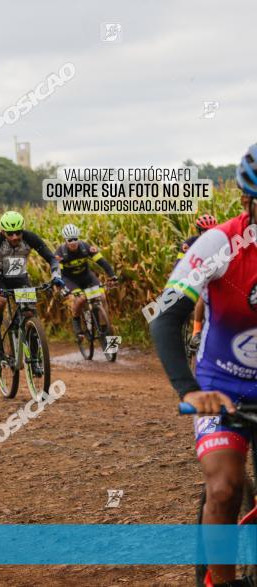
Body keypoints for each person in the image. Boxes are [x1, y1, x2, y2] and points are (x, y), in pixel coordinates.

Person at [151, 143, 257, 587]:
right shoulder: (220, 244)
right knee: (225, 488)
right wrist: (187, 389)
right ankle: (225, 582)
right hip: (222, 392)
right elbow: (166, 316)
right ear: (247, 202)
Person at [0, 211, 63, 362]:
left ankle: (35, 358)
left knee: (29, 312)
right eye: (10, 233)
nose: (15, 237)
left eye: (18, 232)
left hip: (19, 278)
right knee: (0, 301)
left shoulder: (30, 238)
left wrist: (56, 275)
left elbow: (52, 259)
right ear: (3, 232)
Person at [55, 224, 118, 339]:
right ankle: (76, 322)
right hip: (70, 280)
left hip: (87, 276)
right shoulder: (60, 253)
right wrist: (60, 286)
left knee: (102, 297)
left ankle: (104, 328)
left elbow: (102, 262)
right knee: (80, 299)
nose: (73, 242)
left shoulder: (85, 247)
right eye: (70, 240)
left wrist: (112, 275)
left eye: (75, 239)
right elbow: (57, 273)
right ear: (65, 240)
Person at [179, 214, 219, 349]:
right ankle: (196, 331)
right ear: (199, 231)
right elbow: (180, 263)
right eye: (204, 231)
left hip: (213, 275)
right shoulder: (190, 243)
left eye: (211, 231)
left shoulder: (220, 243)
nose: (208, 234)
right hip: (193, 276)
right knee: (202, 296)